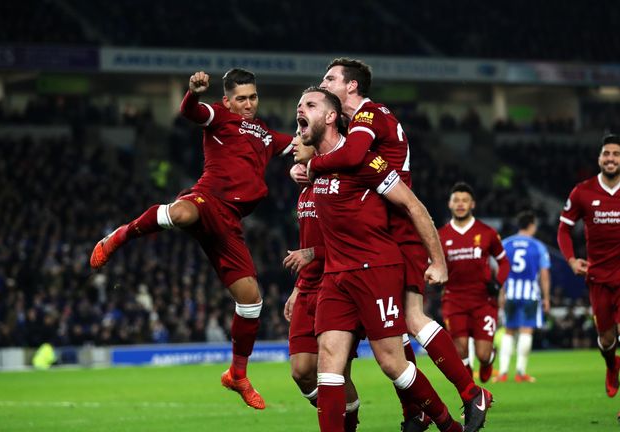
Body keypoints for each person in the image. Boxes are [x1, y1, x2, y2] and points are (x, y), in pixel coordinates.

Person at [303, 57, 490, 432]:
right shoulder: (354, 124)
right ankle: (417, 411)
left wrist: (312, 165)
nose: (323, 85)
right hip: (376, 230)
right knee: (395, 335)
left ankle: (470, 392)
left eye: (330, 79)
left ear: (351, 87)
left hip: (397, 228)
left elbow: (355, 157)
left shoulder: (369, 116)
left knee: (412, 319)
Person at [89, 69, 295, 410]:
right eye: (241, 98)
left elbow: (300, 144)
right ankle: (119, 236)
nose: (248, 104)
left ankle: (237, 375)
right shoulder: (219, 115)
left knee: (251, 302)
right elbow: (190, 112)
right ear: (228, 99)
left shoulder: (266, 135)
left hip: (230, 224)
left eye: (253, 97)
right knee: (181, 214)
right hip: (208, 199)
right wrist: (193, 93)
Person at [557, 133, 620, 425]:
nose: (610, 158)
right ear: (599, 159)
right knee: (606, 337)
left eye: (616, 154)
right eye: (606, 154)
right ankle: (610, 365)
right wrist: (572, 259)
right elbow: (564, 230)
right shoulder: (582, 192)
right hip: (598, 275)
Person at [282, 140, 361, 432]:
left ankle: (346, 424)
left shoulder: (336, 187)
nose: (293, 145)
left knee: (336, 374)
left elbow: (351, 244)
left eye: (300, 140)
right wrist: (297, 288)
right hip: (308, 288)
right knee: (301, 371)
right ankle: (341, 412)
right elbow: (306, 245)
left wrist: (313, 253)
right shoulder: (305, 190)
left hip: (336, 286)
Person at [438, 182, 510, 385]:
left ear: (473, 205)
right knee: (459, 349)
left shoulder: (487, 232)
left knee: (483, 354)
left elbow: (504, 262)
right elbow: (432, 264)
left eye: (465, 200)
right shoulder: (440, 235)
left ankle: (488, 362)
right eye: (456, 200)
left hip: (483, 300)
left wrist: (498, 282)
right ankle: (472, 396)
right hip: (454, 299)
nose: (460, 204)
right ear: (450, 204)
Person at [495, 211, 551, 383]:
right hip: (530, 294)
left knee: (509, 331)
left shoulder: (505, 244)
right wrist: (546, 297)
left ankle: (503, 372)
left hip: (510, 292)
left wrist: (500, 294)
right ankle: (520, 372)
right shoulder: (538, 246)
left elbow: (499, 271)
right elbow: (544, 274)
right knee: (527, 330)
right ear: (532, 225)